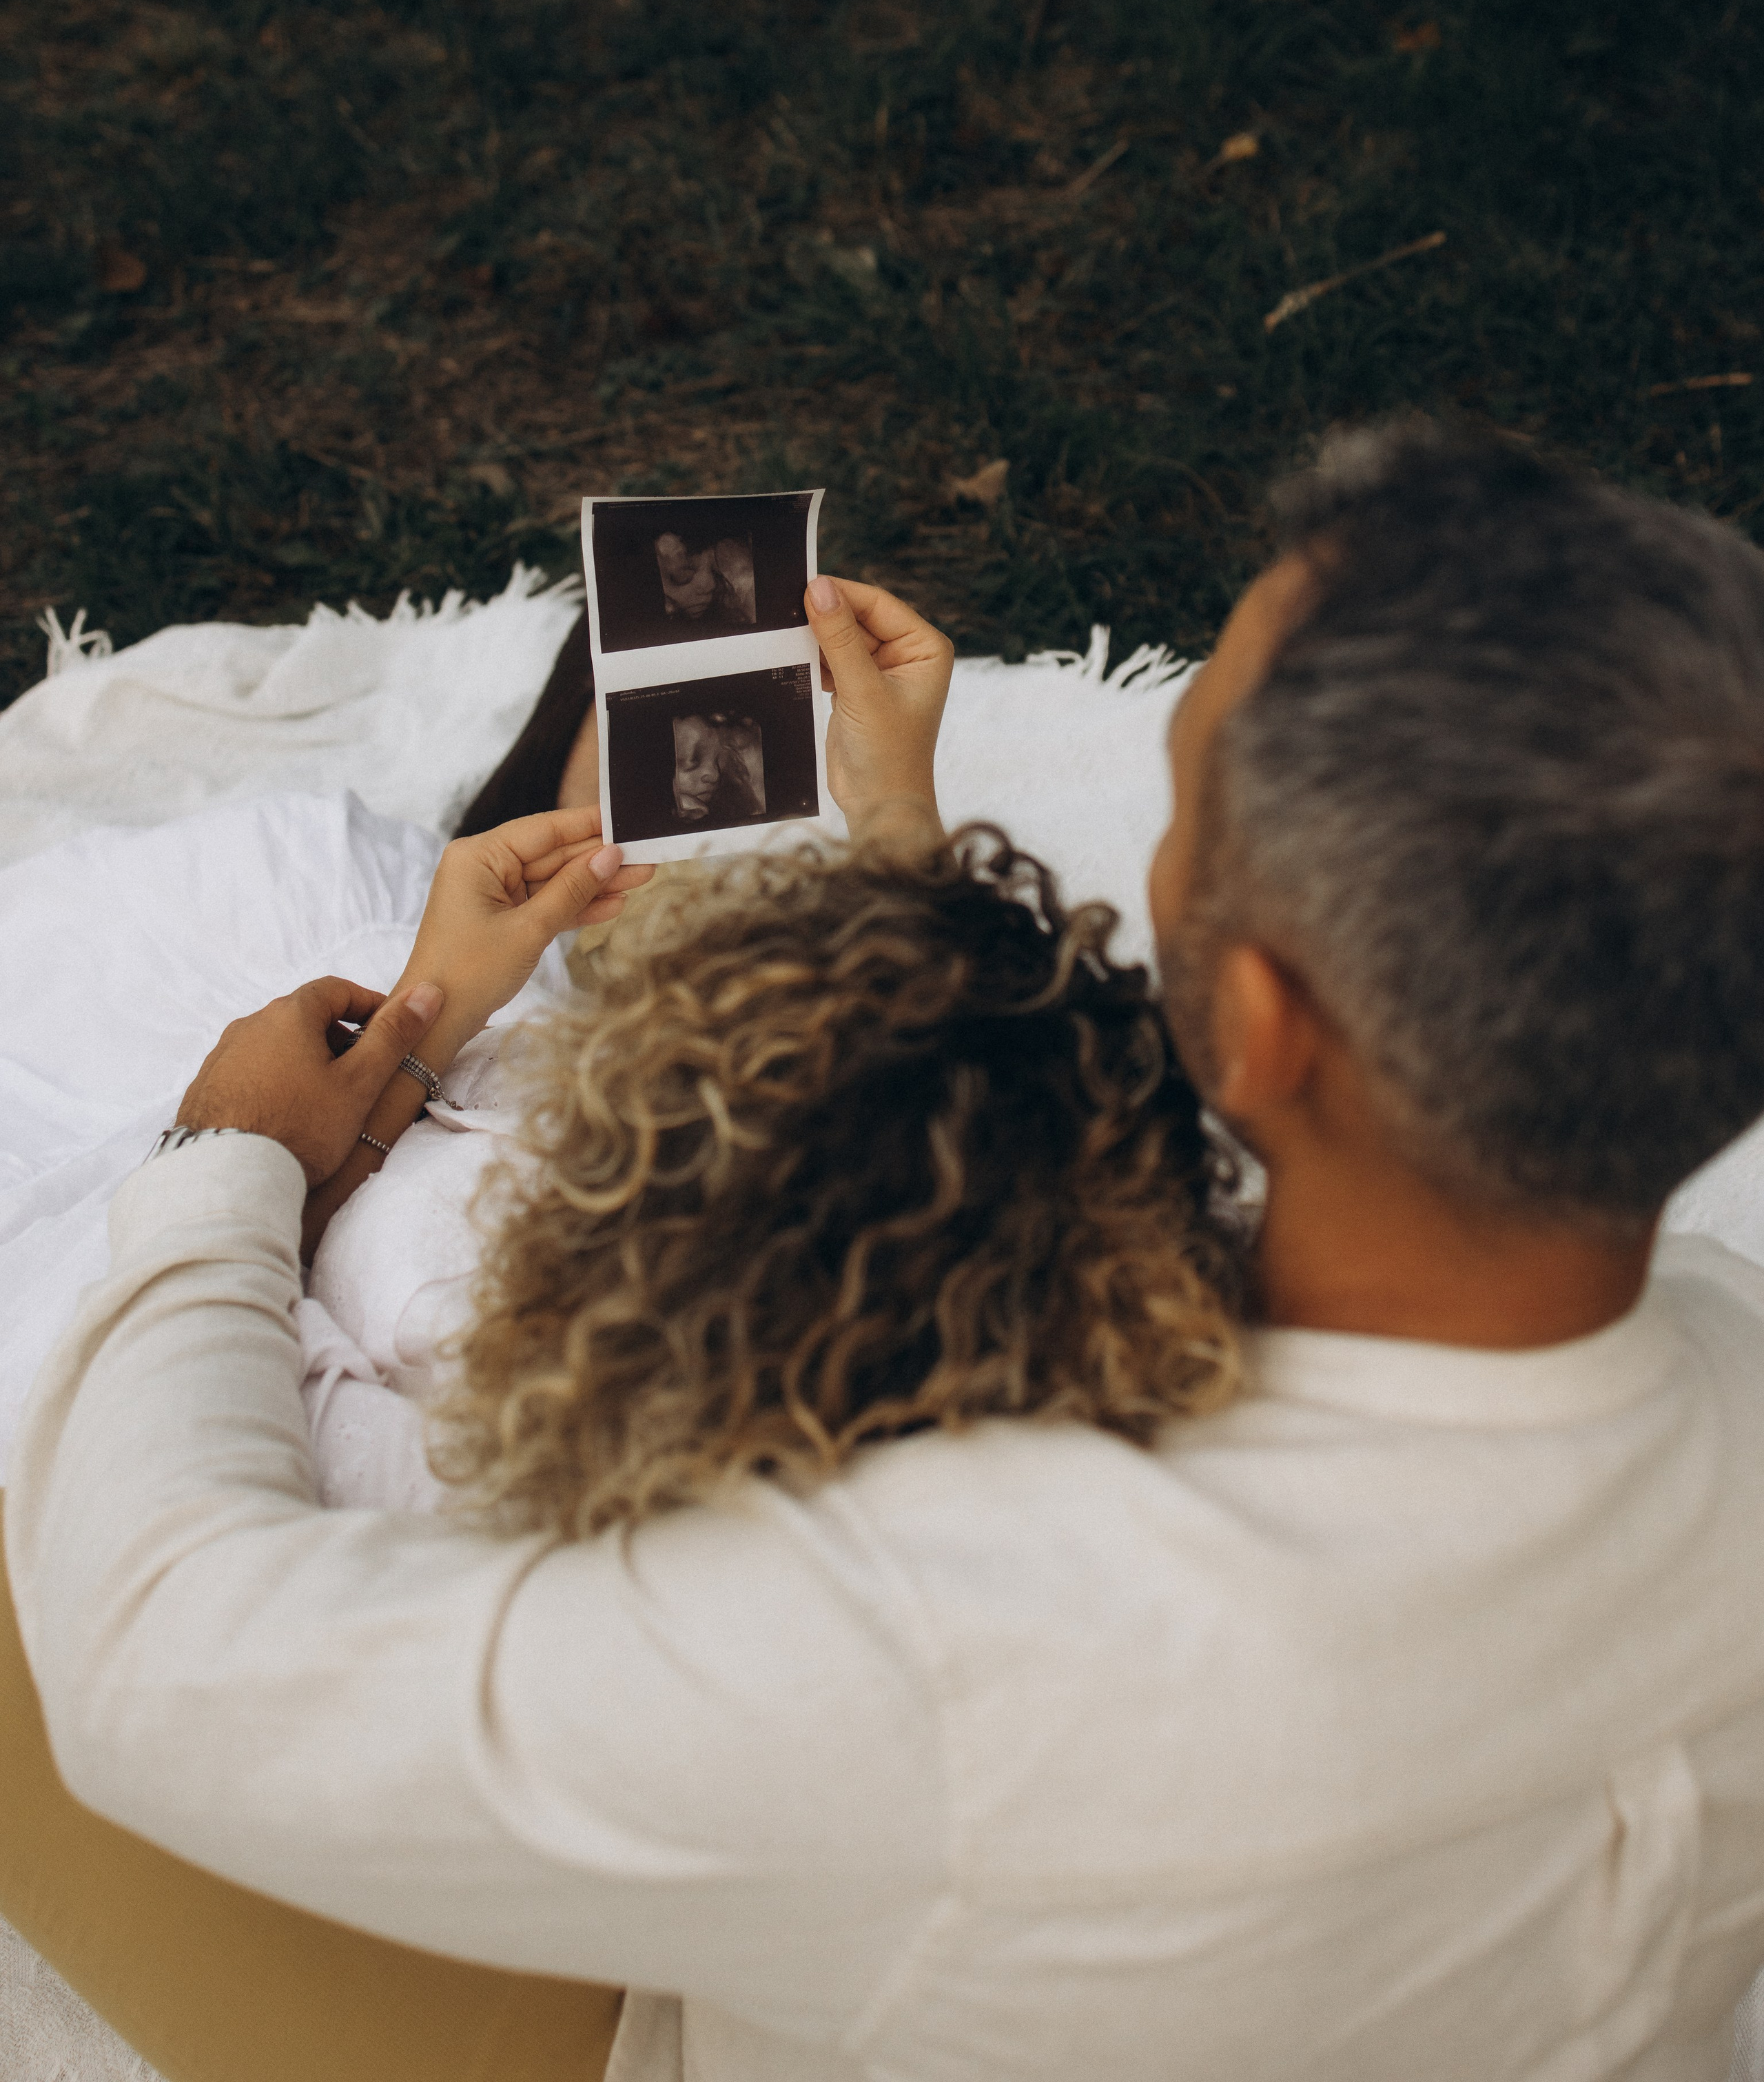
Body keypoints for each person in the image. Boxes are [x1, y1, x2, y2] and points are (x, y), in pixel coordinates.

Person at [11, 426, 1764, 2082]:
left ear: (1257, 1021)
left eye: (1177, 810)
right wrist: (901, 861)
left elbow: (155, 1658)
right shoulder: (1724, 1360)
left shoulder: (941, 1645)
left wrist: (224, 1160)